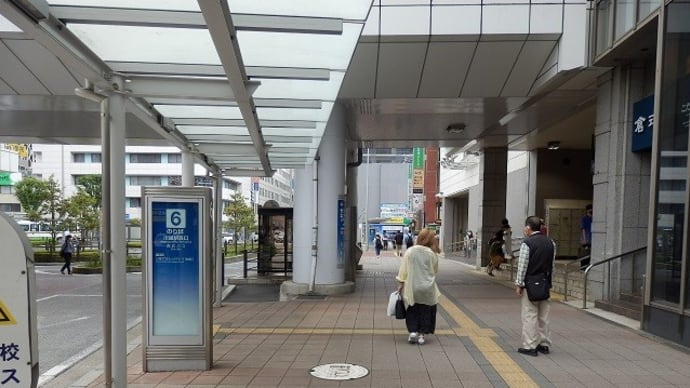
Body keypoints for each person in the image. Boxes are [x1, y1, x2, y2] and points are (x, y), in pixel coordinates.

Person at [514, 216, 555, 357]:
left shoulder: (527, 243)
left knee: (529, 314)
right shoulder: (551, 243)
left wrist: (519, 284)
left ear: (528, 227)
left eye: (525, 227)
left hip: (530, 284)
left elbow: (522, 265)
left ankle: (530, 345)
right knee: (544, 316)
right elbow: (552, 265)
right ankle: (544, 344)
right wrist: (549, 282)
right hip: (545, 283)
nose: (524, 229)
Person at [396, 228, 441, 345]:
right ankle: (422, 335)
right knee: (426, 309)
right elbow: (435, 270)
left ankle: (413, 332)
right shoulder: (432, 254)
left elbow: (403, 270)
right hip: (428, 287)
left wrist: (400, 283)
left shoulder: (410, 251)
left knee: (413, 308)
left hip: (413, 286)